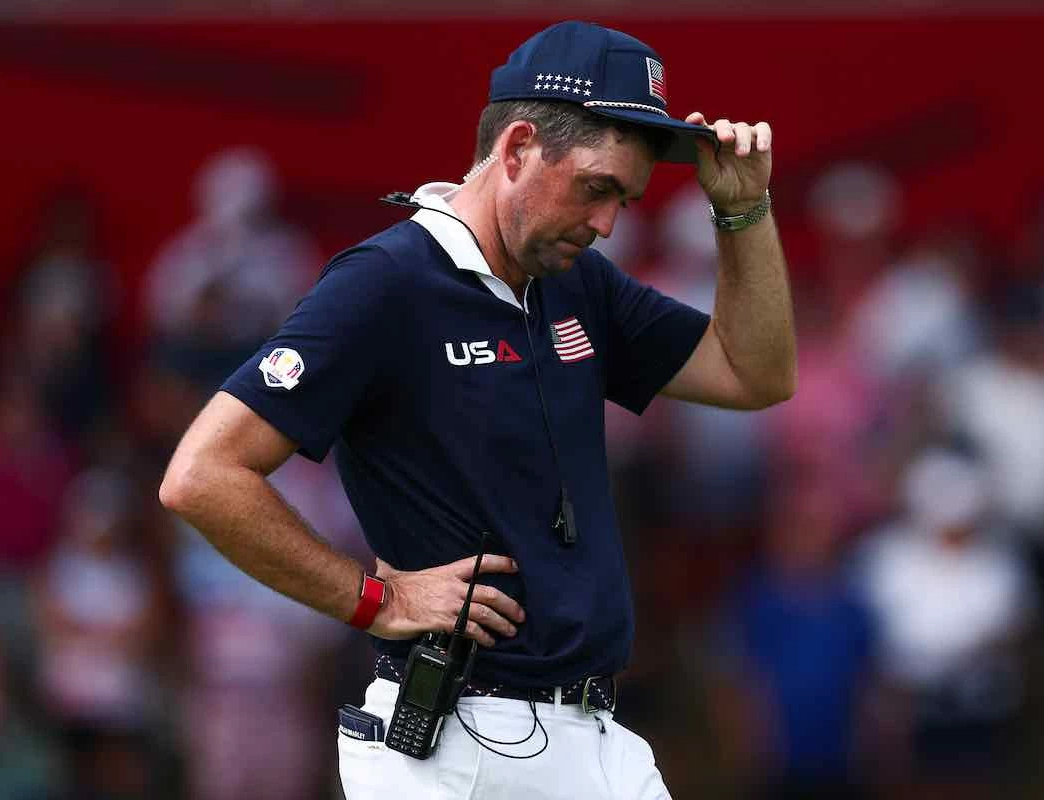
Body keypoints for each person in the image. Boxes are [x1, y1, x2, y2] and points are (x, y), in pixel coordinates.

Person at [159, 20, 794, 800]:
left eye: (625, 200)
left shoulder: (575, 281)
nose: (606, 226)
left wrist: (742, 214)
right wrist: (372, 599)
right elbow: (201, 474)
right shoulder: (386, 282)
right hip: (455, 747)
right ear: (519, 147)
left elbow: (754, 374)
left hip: (597, 738)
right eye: (596, 188)